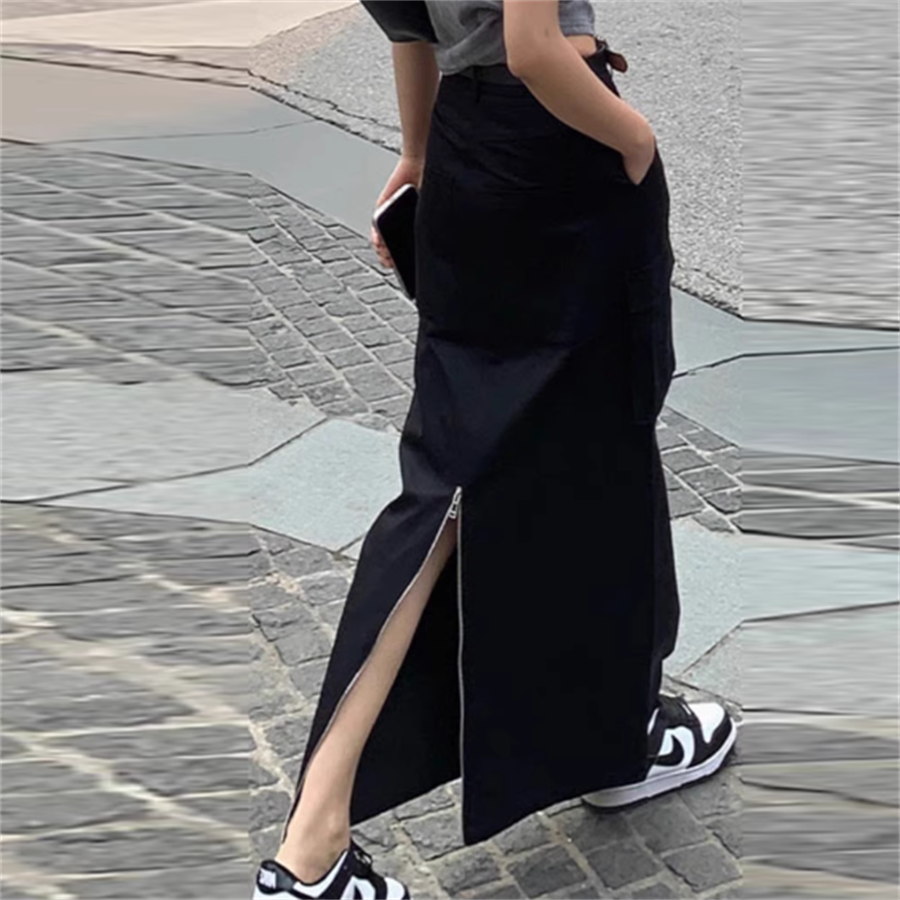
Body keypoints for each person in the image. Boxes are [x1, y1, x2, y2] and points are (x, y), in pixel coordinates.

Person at [252, 2, 737, 898]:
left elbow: (408, 23)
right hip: (555, 148)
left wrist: (418, 153)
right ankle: (315, 842)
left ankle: (606, 737)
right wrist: (633, 139)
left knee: (469, 472)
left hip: (465, 146)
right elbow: (533, 48)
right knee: (595, 452)